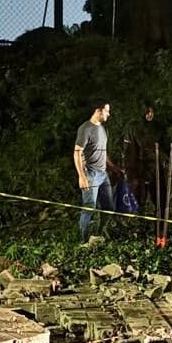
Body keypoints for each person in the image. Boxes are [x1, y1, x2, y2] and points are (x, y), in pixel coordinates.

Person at [74, 100, 117, 240]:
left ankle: (98, 234)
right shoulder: (85, 128)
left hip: (103, 174)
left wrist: (114, 168)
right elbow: (77, 152)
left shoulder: (102, 129)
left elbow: (103, 152)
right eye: (106, 111)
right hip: (90, 173)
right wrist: (82, 176)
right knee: (89, 207)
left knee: (108, 207)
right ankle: (84, 240)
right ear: (98, 111)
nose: (108, 114)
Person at [123, 102, 168, 215]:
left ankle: (159, 226)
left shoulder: (157, 128)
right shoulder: (133, 128)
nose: (150, 115)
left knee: (160, 199)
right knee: (138, 199)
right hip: (139, 168)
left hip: (155, 167)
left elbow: (165, 146)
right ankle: (138, 224)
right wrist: (130, 172)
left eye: (152, 112)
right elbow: (129, 151)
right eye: (148, 112)